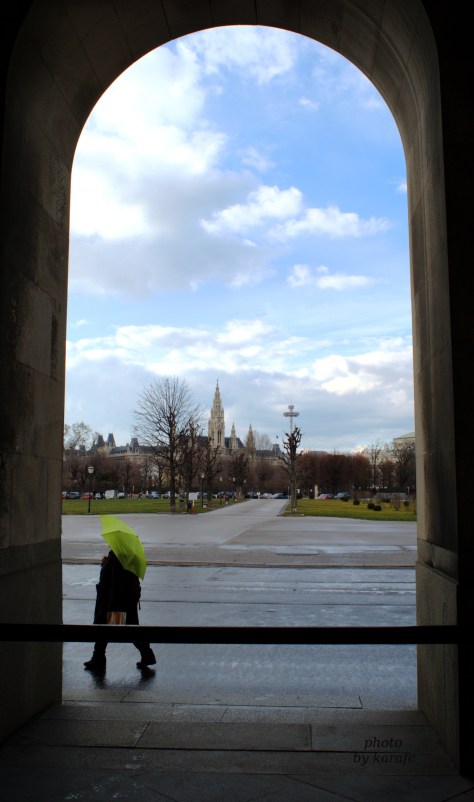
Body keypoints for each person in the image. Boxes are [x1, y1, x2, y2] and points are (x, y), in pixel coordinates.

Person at [84, 550, 156, 673]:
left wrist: (112, 608)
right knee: (122, 629)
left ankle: (99, 658)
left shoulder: (117, 555)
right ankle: (98, 657)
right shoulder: (124, 555)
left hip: (113, 602)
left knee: (120, 630)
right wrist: (106, 563)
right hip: (122, 602)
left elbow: (115, 582)